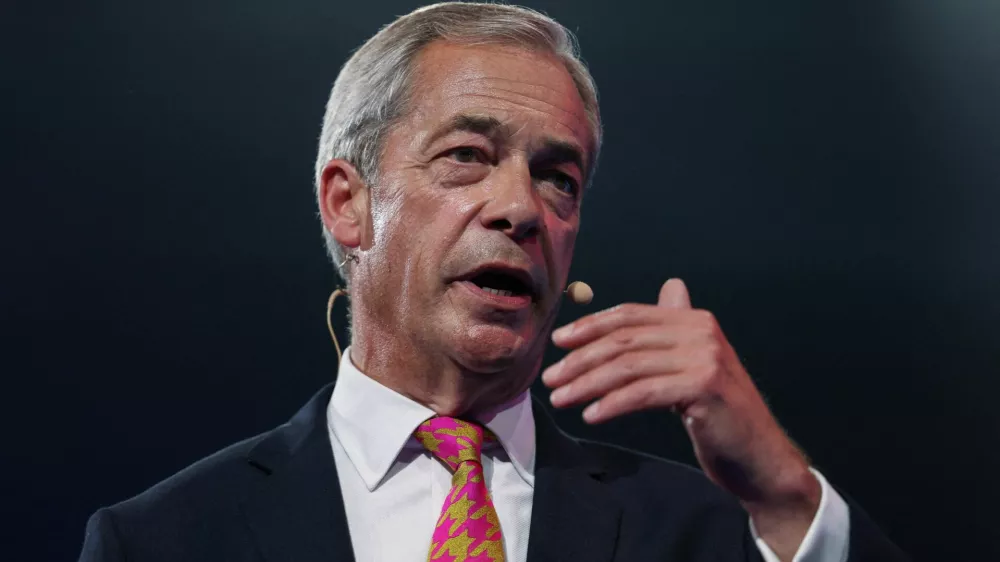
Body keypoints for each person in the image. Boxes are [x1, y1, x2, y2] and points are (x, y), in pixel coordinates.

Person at [78, 3, 907, 561]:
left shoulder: (712, 530)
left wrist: (786, 491)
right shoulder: (163, 539)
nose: (520, 208)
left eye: (559, 178)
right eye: (467, 156)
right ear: (348, 204)